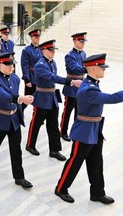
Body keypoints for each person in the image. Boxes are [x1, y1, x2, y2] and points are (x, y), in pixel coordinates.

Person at [55, 53, 123, 204]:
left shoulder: (92, 84)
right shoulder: (89, 89)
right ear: (93, 69)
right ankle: (61, 188)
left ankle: (97, 193)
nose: (104, 70)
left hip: (95, 129)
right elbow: (112, 98)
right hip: (84, 132)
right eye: (102, 68)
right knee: (75, 162)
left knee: (96, 162)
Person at [0, 52, 34, 189]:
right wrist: (20, 99)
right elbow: (2, 96)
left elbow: (16, 102)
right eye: (7, 64)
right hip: (0, 118)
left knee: (16, 149)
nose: (11, 67)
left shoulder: (15, 79)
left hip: (14, 119)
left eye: (12, 64)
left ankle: (19, 177)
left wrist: (20, 114)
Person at [25, 40, 82, 161]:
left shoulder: (52, 63)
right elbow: (53, 77)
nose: (53, 53)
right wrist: (71, 81)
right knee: (36, 123)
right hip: (42, 98)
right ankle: (30, 144)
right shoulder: (40, 65)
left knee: (53, 125)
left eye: (53, 50)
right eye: (50, 50)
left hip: (52, 97)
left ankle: (54, 150)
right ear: (43, 50)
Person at [60, 32, 87, 142]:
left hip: (81, 86)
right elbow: (75, 69)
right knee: (68, 111)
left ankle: (76, 131)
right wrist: (89, 68)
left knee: (78, 111)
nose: (83, 44)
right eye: (81, 41)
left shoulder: (83, 54)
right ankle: (63, 131)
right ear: (74, 41)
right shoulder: (70, 55)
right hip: (71, 86)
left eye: (83, 41)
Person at [20, 29, 42, 113]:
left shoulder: (42, 49)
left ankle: (36, 113)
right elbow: (24, 66)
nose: (38, 38)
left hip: (40, 77)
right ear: (31, 37)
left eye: (39, 36)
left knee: (39, 97)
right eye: (36, 36)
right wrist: (27, 79)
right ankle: (20, 110)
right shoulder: (26, 50)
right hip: (31, 77)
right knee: (28, 97)